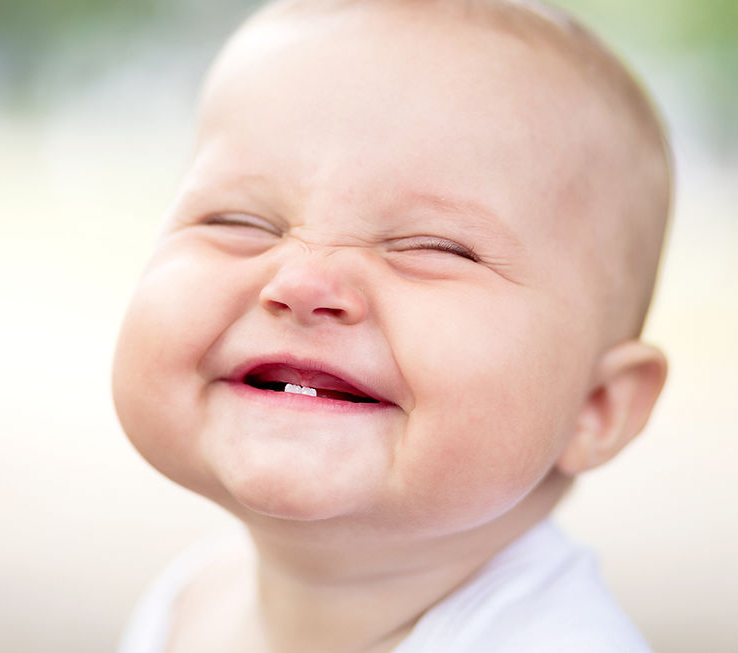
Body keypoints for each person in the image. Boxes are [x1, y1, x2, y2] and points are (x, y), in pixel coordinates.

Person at [111, 0, 671, 651]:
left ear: (596, 405)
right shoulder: (190, 599)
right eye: (238, 222)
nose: (301, 283)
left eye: (434, 247)